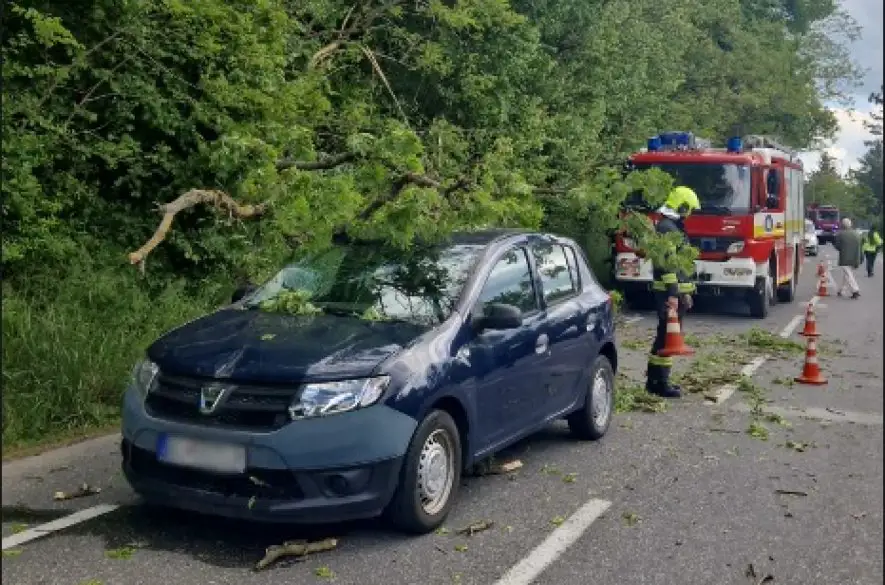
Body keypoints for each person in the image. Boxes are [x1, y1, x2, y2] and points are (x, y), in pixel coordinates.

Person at [645, 186, 699, 399]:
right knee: (666, 338)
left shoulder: (670, 226)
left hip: (672, 291)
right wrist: (673, 294)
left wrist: (685, 292)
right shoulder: (668, 229)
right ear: (682, 206)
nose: (690, 213)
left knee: (665, 336)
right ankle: (659, 383)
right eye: (689, 209)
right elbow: (668, 265)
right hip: (668, 292)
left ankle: (657, 380)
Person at [833, 217, 862, 299]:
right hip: (855, 257)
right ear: (850, 224)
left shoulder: (840, 234)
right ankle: (840, 290)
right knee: (847, 274)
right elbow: (860, 247)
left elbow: (837, 246)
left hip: (845, 258)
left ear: (842, 225)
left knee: (848, 275)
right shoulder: (856, 234)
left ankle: (855, 290)